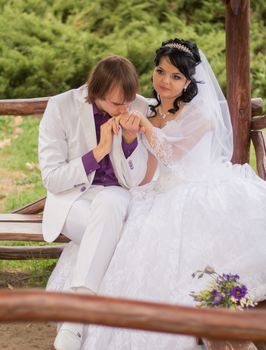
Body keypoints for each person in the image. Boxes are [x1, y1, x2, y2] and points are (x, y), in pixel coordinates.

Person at [77, 38, 266, 349]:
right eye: (160, 71)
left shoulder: (199, 113)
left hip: (201, 188)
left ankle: (228, 328)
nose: (165, 81)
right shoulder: (149, 112)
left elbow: (175, 154)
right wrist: (129, 137)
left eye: (176, 76)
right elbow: (150, 171)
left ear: (188, 82)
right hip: (163, 192)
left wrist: (147, 130)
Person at [38, 55, 149, 350]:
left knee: (111, 204)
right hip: (72, 199)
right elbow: (52, 178)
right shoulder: (60, 107)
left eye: (129, 100)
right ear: (96, 92)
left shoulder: (138, 107)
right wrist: (97, 152)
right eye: (116, 103)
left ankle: (74, 323)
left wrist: (129, 140)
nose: (125, 108)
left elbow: (135, 179)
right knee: (118, 240)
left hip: (118, 196)